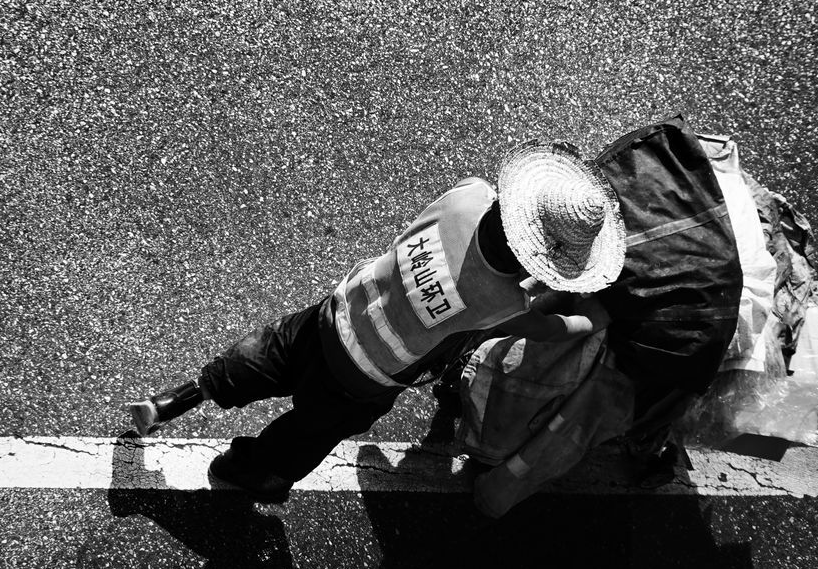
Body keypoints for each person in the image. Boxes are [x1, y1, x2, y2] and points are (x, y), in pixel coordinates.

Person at [125, 140, 626, 503]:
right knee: (306, 432)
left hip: (336, 312)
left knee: (266, 357)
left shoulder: (468, 196)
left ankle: (178, 398)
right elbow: (542, 329)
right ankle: (252, 471)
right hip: (362, 379)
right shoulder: (502, 301)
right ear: (533, 262)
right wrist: (591, 323)